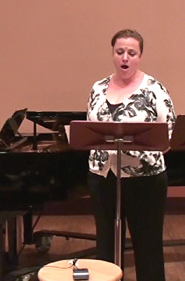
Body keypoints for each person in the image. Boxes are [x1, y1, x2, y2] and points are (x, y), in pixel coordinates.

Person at [86, 29, 176, 281]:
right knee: (106, 244)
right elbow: (90, 127)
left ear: (139, 56)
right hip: (103, 176)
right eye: (120, 52)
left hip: (144, 179)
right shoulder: (98, 87)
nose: (125, 57)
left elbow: (167, 133)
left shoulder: (155, 90)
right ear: (113, 54)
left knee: (147, 245)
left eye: (131, 53)